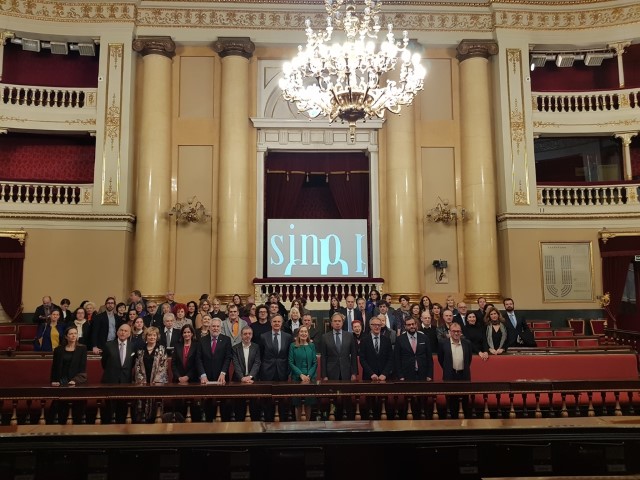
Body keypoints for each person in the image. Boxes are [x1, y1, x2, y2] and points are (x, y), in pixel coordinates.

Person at [260, 314, 293, 421]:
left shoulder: (287, 337)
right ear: (271, 323)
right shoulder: (263, 336)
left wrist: (288, 371)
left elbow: (289, 355)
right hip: (267, 372)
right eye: (274, 321)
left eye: (279, 322)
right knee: (267, 399)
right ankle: (268, 421)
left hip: (282, 371)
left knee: (282, 398)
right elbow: (260, 355)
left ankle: (282, 420)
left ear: (282, 323)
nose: (276, 324)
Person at [438, 322, 473, 418]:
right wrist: (448, 368)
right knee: (451, 400)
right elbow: (441, 359)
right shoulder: (443, 343)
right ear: (450, 332)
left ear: (461, 332)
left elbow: (469, 359)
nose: (456, 333)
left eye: (458, 331)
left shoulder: (467, 343)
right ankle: (452, 422)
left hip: (464, 375)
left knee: (465, 400)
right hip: (450, 375)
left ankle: (466, 422)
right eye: (454, 331)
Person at [232, 326, 262, 421]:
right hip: (238, 381)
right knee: (239, 407)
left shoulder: (256, 347)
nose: (247, 336)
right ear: (241, 335)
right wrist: (242, 378)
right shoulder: (235, 348)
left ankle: (256, 429)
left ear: (252, 335)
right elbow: (235, 364)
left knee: (254, 406)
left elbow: (257, 362)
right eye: (245, 334)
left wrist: (250, 376)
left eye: (249, 334)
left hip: (253, 381)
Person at [288, 326, 318, 421]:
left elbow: (315, 362)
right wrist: (300, 375)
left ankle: (307, 425)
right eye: (301, 332)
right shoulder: (293, 346)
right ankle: (298, 425)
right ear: (298, 334)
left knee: (308, 403)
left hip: (310, 378)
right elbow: (291, 362)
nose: (304, 333)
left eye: (305, 332)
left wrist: (308, 375)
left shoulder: (311, 345)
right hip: (297, 378)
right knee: (298, 403)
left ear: (308, 334)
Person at [321, 313, 358, 381]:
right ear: (331, 323)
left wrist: (354, 373)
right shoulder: (325, 337)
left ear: (342, 323)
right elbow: (323, 357)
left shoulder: (349, 336)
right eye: (335, 321)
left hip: (346, 371)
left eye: (339, 321)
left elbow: (353, 356)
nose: (337, 323)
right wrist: (324, 375)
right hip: (331, 372)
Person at [197, 317, 232, 385]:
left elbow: (228, 358)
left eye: (218, 326)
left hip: (221, 377)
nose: (215, 328)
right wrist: (203, 375)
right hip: (205, 378)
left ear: (220, 328)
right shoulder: (202, 340)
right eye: (213, 326)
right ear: (209, 327)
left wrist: (223, 373)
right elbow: (198, 359)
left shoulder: (226, 340)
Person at [358, 316, 393, 382]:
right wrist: (371, 374)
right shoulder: (364, 340)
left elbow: (390, 358)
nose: (377, 327)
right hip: (368, 377)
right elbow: (362, 359)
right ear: (370, 326)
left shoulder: (387, 340)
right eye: (374, 325)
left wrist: (384, 374)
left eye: (379, 325)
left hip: (384, 377)